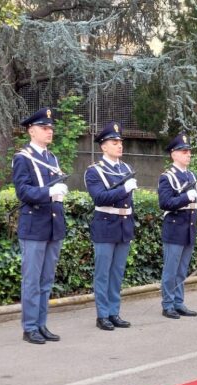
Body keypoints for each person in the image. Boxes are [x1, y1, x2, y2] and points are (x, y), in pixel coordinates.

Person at [12, 107, 68, 344]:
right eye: (44, 128)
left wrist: (58, 193)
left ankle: (42, 324)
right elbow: (23, 192)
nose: (49, 131)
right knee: (32, 280)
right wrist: (49, 192)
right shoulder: (23, 157)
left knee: (46, 280)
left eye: (50, 128)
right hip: (34, 226)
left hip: (53, 225)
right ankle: (30, 327)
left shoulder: (51, 158)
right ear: (31, 130)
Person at [84, 122, 137, 331]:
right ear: (103, 146)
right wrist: (124, 189)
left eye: (120, 142)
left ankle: (114, 312)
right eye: (114, 142)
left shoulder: (126, 168)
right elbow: (99, 198)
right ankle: (102, 314)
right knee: (103, 273)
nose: (119, 145)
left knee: (117, 273)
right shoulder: (94, 171)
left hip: (124, 225)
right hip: (106, 225)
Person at [158, 132, 197, 319]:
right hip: (175, 227)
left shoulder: (191, 175)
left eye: (189, 151)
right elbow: (165, 202)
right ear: (174, 154)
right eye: (184, 151)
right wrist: (185, 197)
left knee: (182, 269)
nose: (188, 154)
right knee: (171, 269)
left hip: (188, 227)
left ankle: (178, 301)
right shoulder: (167, 177)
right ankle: (167, 304)